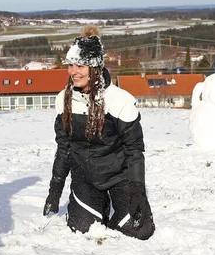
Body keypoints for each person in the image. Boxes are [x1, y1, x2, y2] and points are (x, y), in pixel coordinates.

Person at [43, 26, 155, 240]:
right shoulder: (64, 100)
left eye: (79, 65)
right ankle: (94, 205)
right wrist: (55, 189)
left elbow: (134, 151)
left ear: (94, 67)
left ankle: (116, 205)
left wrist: (137, 191)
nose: (73, 71)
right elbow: (64, 147)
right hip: (85, 177)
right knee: (83, 229)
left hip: (118, 177)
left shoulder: (119, 100)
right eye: (70, 65)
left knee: (139, 230)